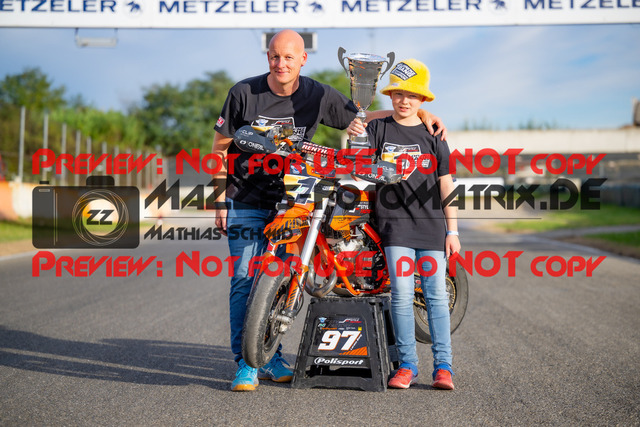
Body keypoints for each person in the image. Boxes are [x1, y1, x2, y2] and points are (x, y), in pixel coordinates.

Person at [212, 30, 448, 392]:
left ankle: (269, 358)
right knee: (245, 279)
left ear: (302, 59)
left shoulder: (317, 94)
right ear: (268, 57)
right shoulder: (244, 92)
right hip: (245, 198)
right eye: (275, 56)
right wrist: (218, 198)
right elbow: (220, 146)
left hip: (292, 200)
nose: (280, 63)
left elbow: (364, 115)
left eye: (288, 57)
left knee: (281, 278)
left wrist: (420, 111)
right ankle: (246, 365)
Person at [347, 58, 460, 390]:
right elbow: (359, 167)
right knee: (401, 294)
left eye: (411, 95)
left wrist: (453, 230)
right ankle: (407, 365)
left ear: (422, 98)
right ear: (391, 96)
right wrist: (355, 136)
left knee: (435, 295)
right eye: (398, 93)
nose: (404, 100)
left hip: (432, 226)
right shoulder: (378, 130)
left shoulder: (434, 134)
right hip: (395, 226)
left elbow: (446, 183)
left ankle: (443, 367)